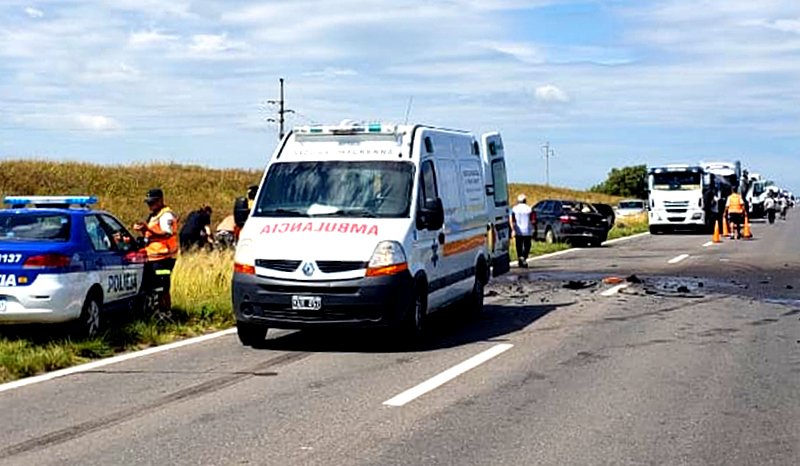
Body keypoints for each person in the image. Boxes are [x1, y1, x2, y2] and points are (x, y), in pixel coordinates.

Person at [133, 189, 179, 314]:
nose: (150, 205)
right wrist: (143, 231)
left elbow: (166, 234)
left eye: (152, 202)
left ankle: (166, 313)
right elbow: (152, 235)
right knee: (151, 287)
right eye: (148, 203)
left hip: (164, 258)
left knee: (162, 287)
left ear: (160, 200)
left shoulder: (166, 215)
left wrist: (147, 228)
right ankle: (155, 311)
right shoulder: (154, 215)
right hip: (152, 257)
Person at [510, 193, 534, 267]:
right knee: (527, 245)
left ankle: (520, 258)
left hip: (518, 230)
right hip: (527, 230)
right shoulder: (529, 209)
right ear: (525, 200)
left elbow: (512, 220)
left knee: (519, 246)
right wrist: (534, 228)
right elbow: (533, 220)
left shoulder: (514, 209)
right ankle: (523, 257)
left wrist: (512, 229)